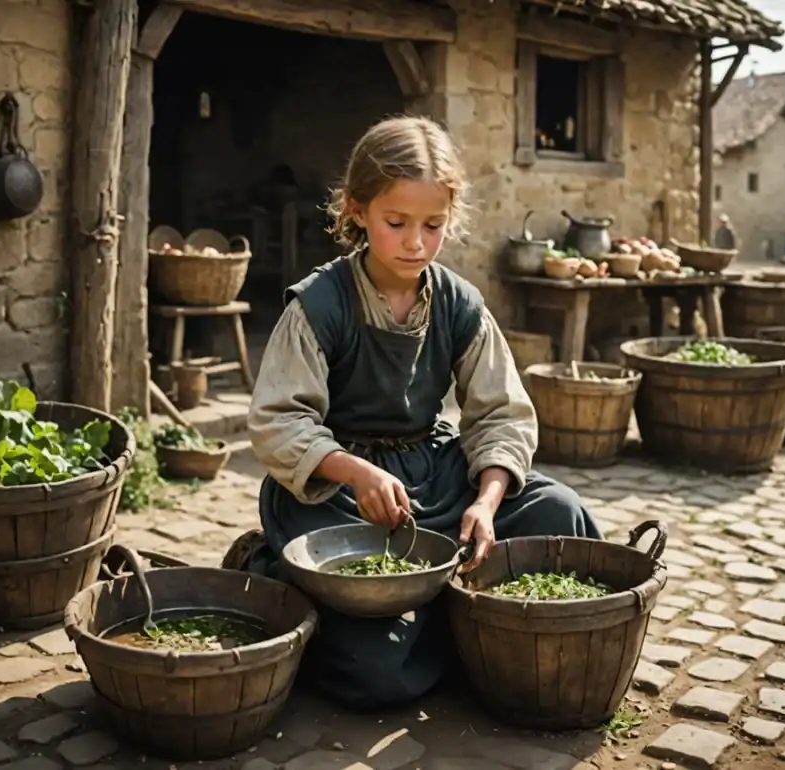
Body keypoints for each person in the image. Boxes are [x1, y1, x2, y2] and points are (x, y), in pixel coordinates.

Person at [222, 115, 602, 709]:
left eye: (433, 225)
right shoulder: (320, 306)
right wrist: (356, 472)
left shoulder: (460, 305)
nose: (416, 243)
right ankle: (269, 568)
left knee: (562, 513)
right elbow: (278, 422)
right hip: (337, 494)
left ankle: (439, 615)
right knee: (378, 672)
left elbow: (501, 415)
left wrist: (486, 501)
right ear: (357, 211)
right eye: (396, 223)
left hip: (433, 477)